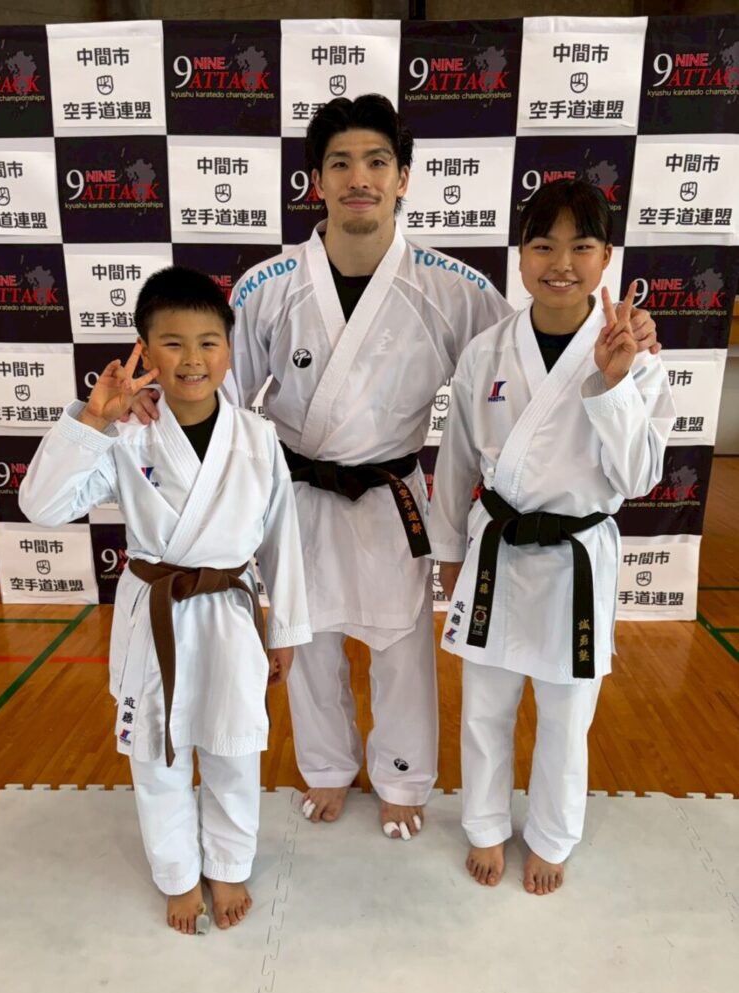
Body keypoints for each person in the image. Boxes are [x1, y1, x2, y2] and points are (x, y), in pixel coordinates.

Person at [131, 95, 658, 841]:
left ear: (403, 177)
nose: (360, 178)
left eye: (377, 162)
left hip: (393, 495)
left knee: (402, 647)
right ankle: (325, 767)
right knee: (308, 639)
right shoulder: (266, 287)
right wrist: (152, 404)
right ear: (316, 180)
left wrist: (626, 331)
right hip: (299, 489)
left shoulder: (451, 288)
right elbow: (217, 390)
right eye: (341, 163)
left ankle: (404, 776)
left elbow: (534, 345)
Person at [19, 266, 311, 933]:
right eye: (172, 344)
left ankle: (229, 865)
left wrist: (286, 629)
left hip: (229, 612)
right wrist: (93, 420)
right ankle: (178, 875)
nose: (192, 359)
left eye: (209, 342)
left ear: (229, 351)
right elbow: (41, 507)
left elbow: (281, 538)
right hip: (156, 608)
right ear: (144, 351)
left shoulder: (257, 436)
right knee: (155, 753)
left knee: (235, 748)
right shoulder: (125, 433)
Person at [429, 179, 675, 894]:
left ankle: (553, 835)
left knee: (568, 713)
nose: (561, 263)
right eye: (543, 245)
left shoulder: (636, 357)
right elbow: (456, 461)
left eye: (581, 246)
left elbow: (638, 478)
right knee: (485, 703)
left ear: (606, 259)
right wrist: (449, 552)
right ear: (521, 255)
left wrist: (616, 383)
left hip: (575, 559)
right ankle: (484, 824)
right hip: (497, 552)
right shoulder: (487, 352)